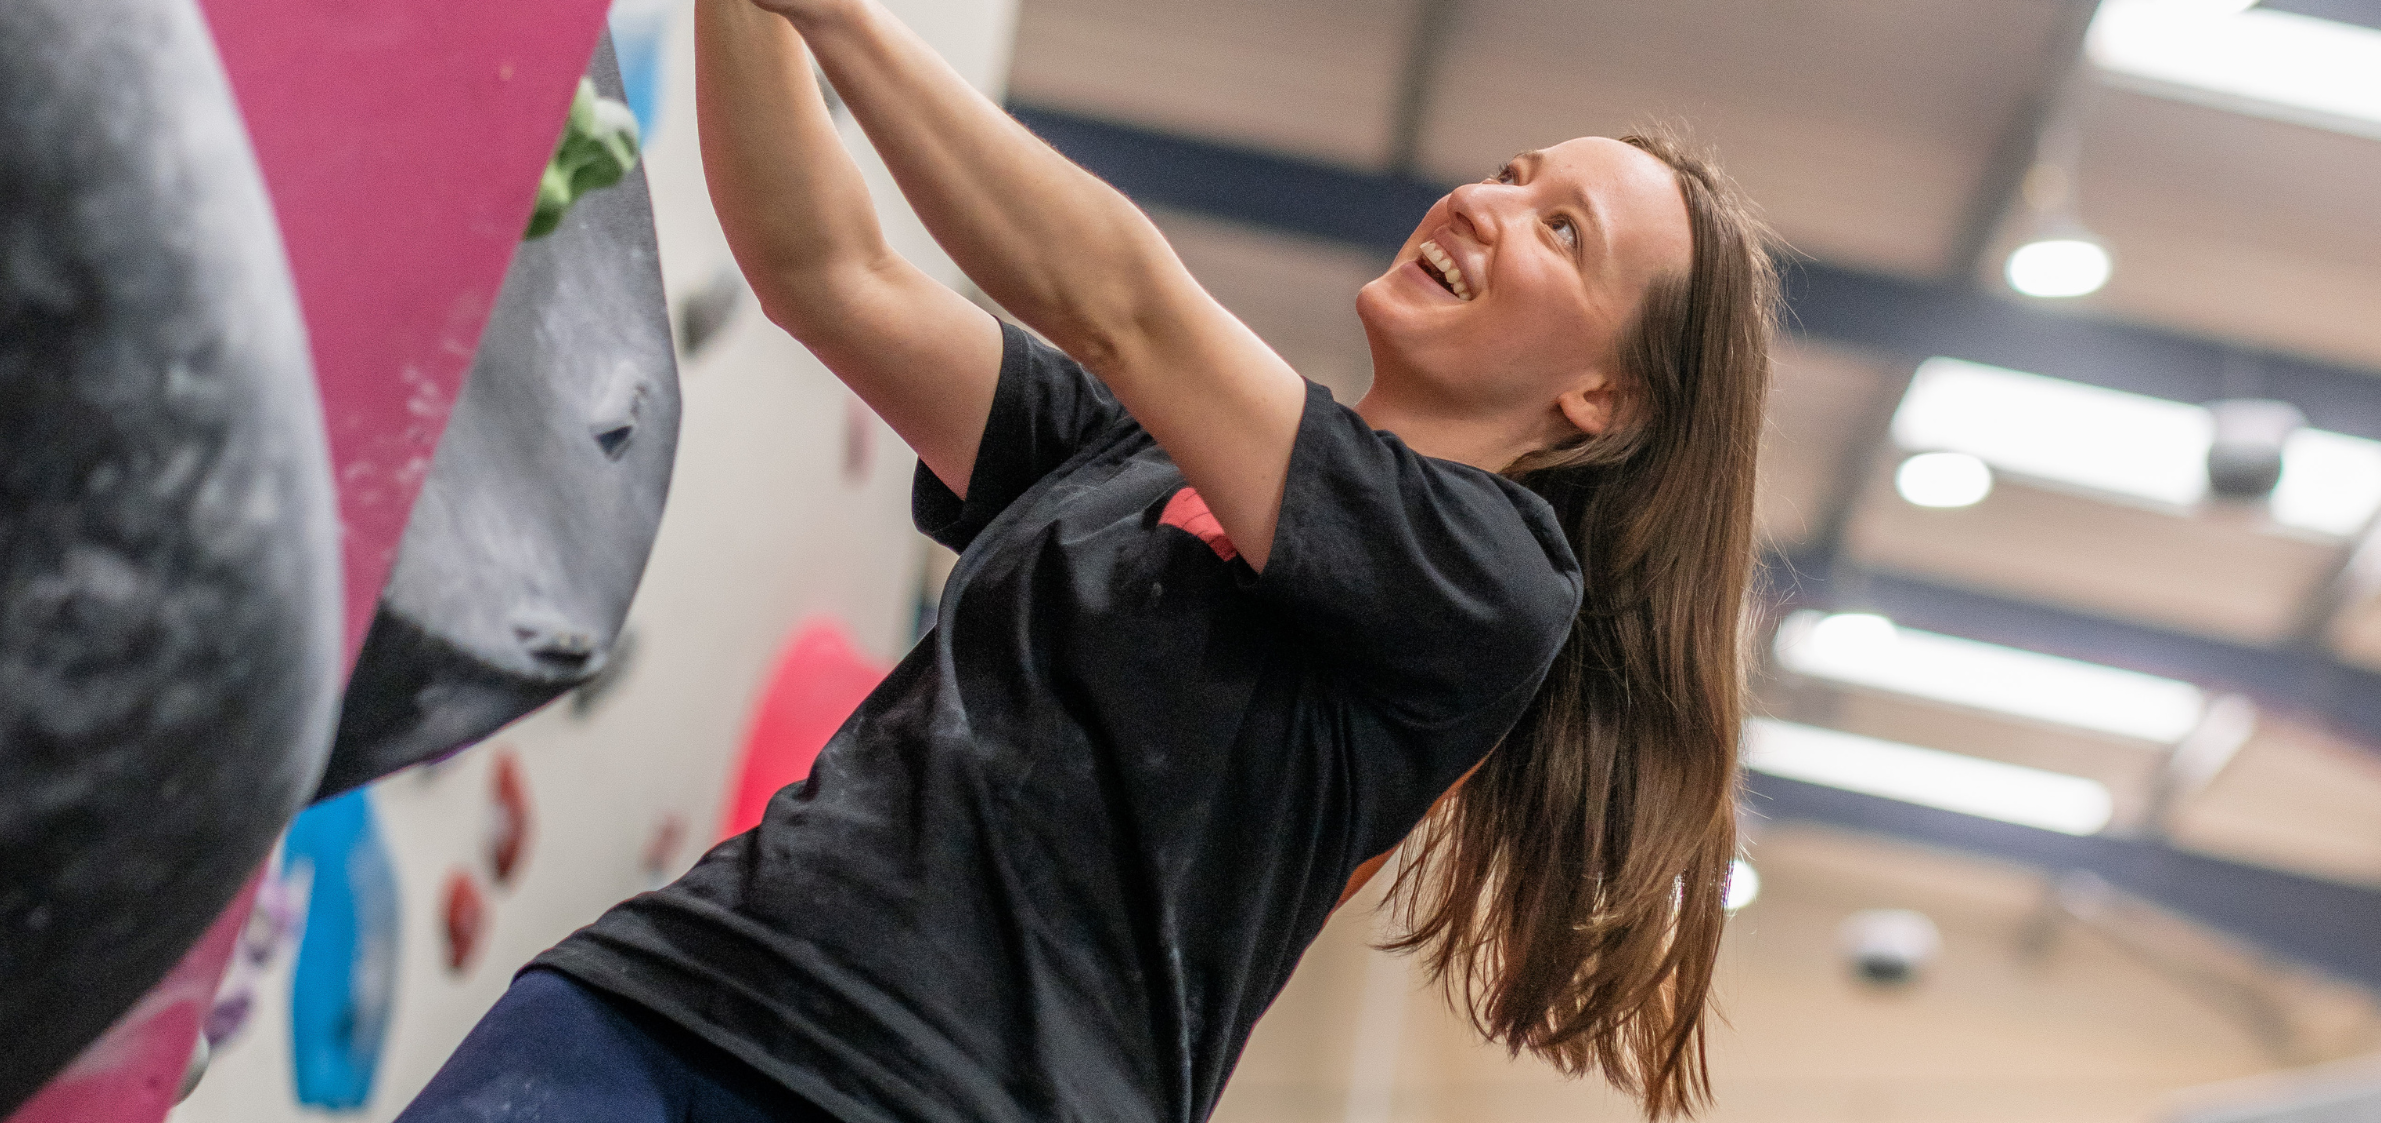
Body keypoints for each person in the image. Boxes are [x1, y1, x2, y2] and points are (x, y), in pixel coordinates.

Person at [396, 0, 1777, 1119]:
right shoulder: (1131, 453)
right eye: (1516, 171)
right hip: (667, 991)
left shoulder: (1489, 584)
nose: (1486, 200)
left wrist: (847, 24)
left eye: (1560, 232)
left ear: (1606, 400)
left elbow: (1121, 300)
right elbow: (827, 270)